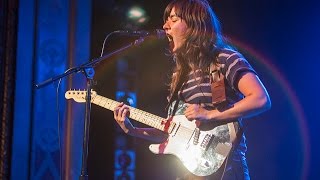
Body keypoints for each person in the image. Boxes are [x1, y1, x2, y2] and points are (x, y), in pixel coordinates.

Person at [113, 0, 271, 179]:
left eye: (173, 19)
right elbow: (173, 131)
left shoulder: (224, 58)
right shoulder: (179, 76)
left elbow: (260, 99)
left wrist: (210, 115)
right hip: (189, 169)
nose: (165, 26)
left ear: (194, 24)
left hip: (225, 167)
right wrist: (132, 130)